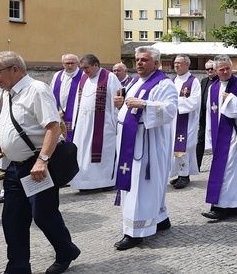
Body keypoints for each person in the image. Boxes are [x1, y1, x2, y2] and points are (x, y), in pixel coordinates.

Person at [0, 51, 80, 274]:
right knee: (12, 218)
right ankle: (18, 268)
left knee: (43, 215)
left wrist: (42, 161)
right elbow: (18, 127)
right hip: (16, 165)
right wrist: (4, 147)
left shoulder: (37, 89)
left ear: (15, 69)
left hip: (38, 165)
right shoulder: (7, 93)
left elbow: (53, 127)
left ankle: (66, 251)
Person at [112, 46, 177, 250]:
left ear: (156, 64)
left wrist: (145, 104)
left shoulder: (164, 84)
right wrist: (120, 105)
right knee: (142, 186)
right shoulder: (134, 82)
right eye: (138, 59)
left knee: (141, 187)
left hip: (148, 142)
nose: (139, 63)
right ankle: (160, 218)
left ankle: (136, 232)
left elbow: (170, 110)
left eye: (144, 60)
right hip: (131, 141)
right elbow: (128, 109)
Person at [202, 55, 237, 219]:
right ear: (216, 71)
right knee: (226, 170)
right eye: (221, 69)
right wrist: (209, 138)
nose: (225, 72)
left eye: (227, 68)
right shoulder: (213, 88)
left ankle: (221, 207)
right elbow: (209, 114)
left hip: (234, 134)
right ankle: (233, 204)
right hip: (218, 135)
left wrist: (231, 99)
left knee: (231, 171)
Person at [69, 54, 121, 191]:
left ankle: (104, 182)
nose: (84, 71)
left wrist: (116, 122)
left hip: (103, 124)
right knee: (83, 153)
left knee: (103, 154)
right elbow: (77, 102)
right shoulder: (83, 79)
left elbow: (117, 100)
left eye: (86, 68)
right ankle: (85, 182)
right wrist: (76, 121)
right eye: (82, 68)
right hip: (83, 124)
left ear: (96, 65)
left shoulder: (109, 77)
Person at [169, 55, 201, 189]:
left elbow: (195, 101)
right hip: (173, 121)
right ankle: (178, 173)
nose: (176, 65)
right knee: (173, 148)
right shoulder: (172, 80)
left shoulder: (193, 82)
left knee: (185, 148)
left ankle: (185, 175)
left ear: (187, 65)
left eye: (179, 63)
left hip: (186, 121)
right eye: (175, 63)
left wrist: (176, 103)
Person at [50, 54, 83, 141]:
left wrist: (64, 111)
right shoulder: (57, 75)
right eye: (67, 63)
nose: (70, 66)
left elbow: (82, 96)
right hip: (57, 113)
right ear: (62, 64)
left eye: (72, 63)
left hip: (75, 115)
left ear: (78, 63)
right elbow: (51, 93)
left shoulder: (83, 76)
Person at [197, 60, 218, 171]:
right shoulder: (204, 81)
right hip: (204, 116)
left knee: (216, 140)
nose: (210, 71)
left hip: (215, 116)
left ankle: (217, 164)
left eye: (212, 68)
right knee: (200, 140)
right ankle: (197, 165)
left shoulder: (219, 81)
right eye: (207, 69)